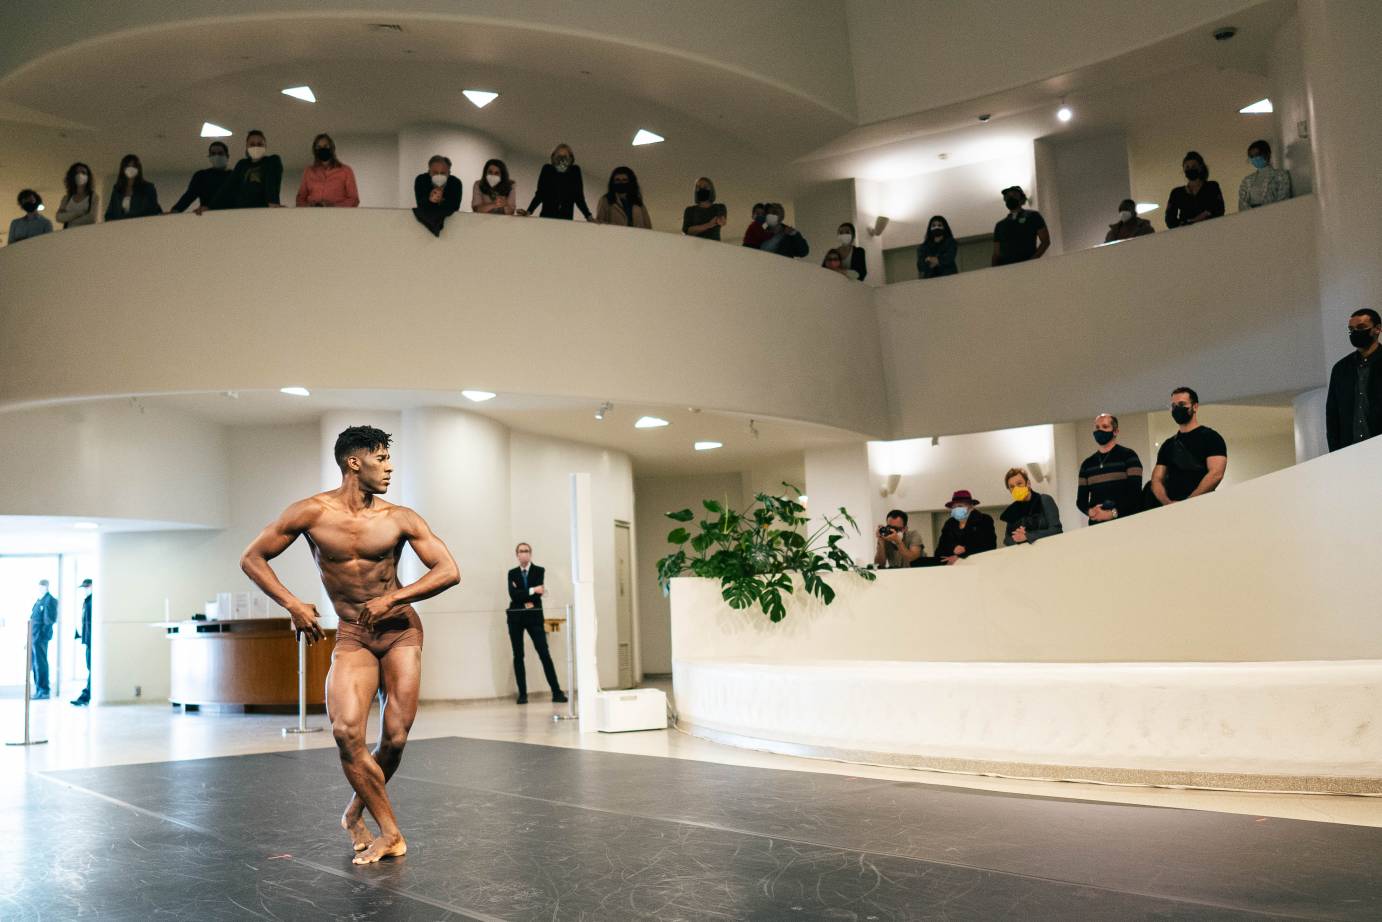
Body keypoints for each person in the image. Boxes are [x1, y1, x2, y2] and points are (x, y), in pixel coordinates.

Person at [240, 426, 460, 865]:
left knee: (394, 738)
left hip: (400, 631)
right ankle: (391, 832)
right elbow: (252, 557)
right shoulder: (311, 513)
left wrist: (394, 596)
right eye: (382, 459)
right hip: (353, 634)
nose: (390, 467)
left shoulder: (400, 518)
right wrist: (292, 603)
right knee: (345, 732)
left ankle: (356, 812)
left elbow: (448, 570)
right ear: (353, 463)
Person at [506, 542, 568, 705]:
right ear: (517, 555)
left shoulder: (539, 571)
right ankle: (523, 694)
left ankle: (556, 692)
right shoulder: (512, 573)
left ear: (530, 554)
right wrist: (533, 591)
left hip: (534, 618)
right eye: (521, 551)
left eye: (526, 551)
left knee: (544, 654)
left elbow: (535, 593)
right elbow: (514, 596)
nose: (524, 554)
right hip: (516, 619)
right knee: (518, 655)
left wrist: (526, 594)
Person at [1148, 387, 1228, 506]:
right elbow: (1156, 479)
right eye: (1173, 406)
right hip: (1172, 509)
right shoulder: (1168, 444)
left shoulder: (1211, 437)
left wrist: (1189, 502)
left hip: (1204, 506)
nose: (1176, 409)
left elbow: (1216, 473)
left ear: (1195, 407)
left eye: (1182, 404)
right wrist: (1167, 503)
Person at [1325, 308, 1382, 452]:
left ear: (1377, 329)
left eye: (1361, 327)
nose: (1355, 332)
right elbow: (1332, 415)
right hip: (1350, 453)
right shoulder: (1340, 369)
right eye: (1351, 329)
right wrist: (1335, 453)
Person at [1077, 414, 1143, 524]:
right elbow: (1081, 501)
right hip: (1097, 525)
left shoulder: (1129, 456)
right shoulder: (1087, 464)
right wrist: (1090, 511)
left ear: (1116, 431)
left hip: (1126, 522)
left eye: (1105, 427)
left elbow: (1135, 494)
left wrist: (1112, 513)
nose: (1100, 430)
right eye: (1097, 427)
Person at [212, 130, 283, 209]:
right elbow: (228, 187)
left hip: (264, 210)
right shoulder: (242, 165)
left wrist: (273, 201)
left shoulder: (272, 161)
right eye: (252, 144)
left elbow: (272, 181)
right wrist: (210, 206)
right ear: (247, 147)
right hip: (242, 211)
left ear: (265, 146)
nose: (256, 147)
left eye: (260, 144)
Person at [525, 143, 593, 221]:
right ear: (553, 157)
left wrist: (588, 216)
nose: (561, 160)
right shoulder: (547, 169)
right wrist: (529, 211)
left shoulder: (574, 171)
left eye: (565, 157)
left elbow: (579, 197)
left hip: (565, 220)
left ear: (571, 159)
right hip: (546, 218)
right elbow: (540, 194)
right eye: (559, 157)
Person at [1000, 468, 1063, 546]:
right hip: (1025, 555)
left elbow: (1056, 530)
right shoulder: (1012, 510)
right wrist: (1018, 538)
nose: (1016, 488)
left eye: (1019, 483)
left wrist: (1027, 536)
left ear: (1028, 483)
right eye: (1012, 487)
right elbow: (1007, 539)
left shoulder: (1044, 500)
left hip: (1048, 550)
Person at [296, 133, 360, 208]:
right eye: (319, 147)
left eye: (326, 146)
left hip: (337, 215)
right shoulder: (308, 171)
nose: (322, 149)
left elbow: (354, 199)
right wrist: (311, 206)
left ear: (332, 148)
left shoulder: (345, 171)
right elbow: (300, 199)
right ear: (315, 150)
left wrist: (332, 206)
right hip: (312, 215)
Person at [992, 186, 1049, 266]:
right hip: (1006, 269)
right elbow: (996, 253)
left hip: (1028, 267)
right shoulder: (1000, 225)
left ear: (1022, 199)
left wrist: (1032, 261)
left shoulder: (1033, 216)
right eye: (1007, 197)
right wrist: (994, 271)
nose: (1010, 198)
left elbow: (1045, 241)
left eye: (1014, 195)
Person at [169, 141, 232, 214]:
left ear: (227, 156)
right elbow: (189, 195)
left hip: (231, 215)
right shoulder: (201, 175)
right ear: (209, 156)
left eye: (220, 153)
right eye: (213, 154)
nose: (216, 156)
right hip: (206, 216)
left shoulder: (234, 176)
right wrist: (175, 210)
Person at [1165, 151, 1224, 228]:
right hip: (1185, 233)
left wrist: (1194, 220)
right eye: (1187, 167)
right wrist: (1184, 224)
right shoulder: (1177, 193)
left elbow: (1219, 209)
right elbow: (1169, 219)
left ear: (1201, 167)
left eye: (1194, 166)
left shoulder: (1211, 186)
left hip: (1209, 228)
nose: (1190, 169)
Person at [935, 490, 996, 564]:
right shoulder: (950, 523)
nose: (956, 509)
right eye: (954, 507)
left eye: (960, 506)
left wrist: (963, 553)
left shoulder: (984, 519)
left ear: (971, 506)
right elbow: (940, 548)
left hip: (978, 564)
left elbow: (989, 545)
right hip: (951, 567)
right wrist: (953, 548)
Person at [412, 155, 463, 237]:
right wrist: (430, 200)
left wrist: (439, 200)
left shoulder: (455, 183)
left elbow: (455, 206)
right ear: (429, 172)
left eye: (443, 173)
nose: (439, 175)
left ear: (449, 173)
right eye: (435, 173)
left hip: (451, 228)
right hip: (422, 230)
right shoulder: (421, 180)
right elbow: (421, 204)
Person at [1237, 140, 1292, 211]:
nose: (1254, 158)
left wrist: (1267, 212)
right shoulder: (1247, 180)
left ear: (1267, 154)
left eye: (1257, 155)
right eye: (1251, 156)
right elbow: (1242, 202)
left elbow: (1284, 199)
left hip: (1275, 215)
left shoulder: (1280, 175)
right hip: (1251, 217)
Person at [104, 154, 162, 221]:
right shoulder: (117, 189)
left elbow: (152, 211)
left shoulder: (148, 188)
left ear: (138, 169)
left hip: (141, 226)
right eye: (128, 166)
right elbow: (110, 213)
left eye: (133, 166)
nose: (130, 169)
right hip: (119, 228)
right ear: (123, 169)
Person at [29, 579, 58, 700]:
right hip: (34, 637)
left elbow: (49, 621)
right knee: (35, 664)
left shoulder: (50, 600)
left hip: (40, 638)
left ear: (47, 587)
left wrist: (41, 636)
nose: (41, 588)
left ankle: (44, 690)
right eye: (40, 586)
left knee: (41, 664)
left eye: (43, 586)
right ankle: (39, 689)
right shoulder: (40, 600)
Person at [56, 163, 99, 228]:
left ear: (88, 177)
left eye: (83, 172)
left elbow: (92, 218)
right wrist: (80, 213)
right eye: (77, 173)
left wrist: (69, 219)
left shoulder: (93, 197)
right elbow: (59, 217)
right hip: (68, 233)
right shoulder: (67, 198)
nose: (80, 175)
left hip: (85, 233)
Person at [71, 578, 93, 706]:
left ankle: (86, 695)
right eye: (84, 587)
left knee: (91, 668)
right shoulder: (87, 602)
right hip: (88, 640)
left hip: (91, 641)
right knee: (90, 668)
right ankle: (86, 695)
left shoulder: (92, 602)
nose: (85, 589)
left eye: (87, 587)